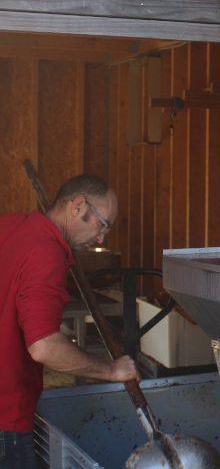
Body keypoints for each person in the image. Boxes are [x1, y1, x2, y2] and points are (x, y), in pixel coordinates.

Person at [0, 174, 140, 468]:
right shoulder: (45, 252)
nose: (101, 238)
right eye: (103, 225)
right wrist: (111, 370)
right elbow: (44, 346)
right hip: (6, 419)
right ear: (78, 206)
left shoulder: (11, 226)